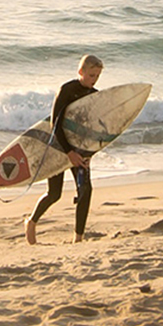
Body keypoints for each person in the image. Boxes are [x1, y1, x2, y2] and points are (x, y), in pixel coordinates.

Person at [25, 53, 103, 244]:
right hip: (58, 149)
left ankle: (78, 238)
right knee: (54, 194)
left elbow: (93, 131)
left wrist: (89, 154)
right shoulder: (66, 91)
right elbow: (55, 126)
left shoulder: (95, 96)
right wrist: (69, 153)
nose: (94, 80)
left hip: (80, 151)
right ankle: (31, 222)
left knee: (86, 190)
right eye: (91, 75)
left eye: (98, 76)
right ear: (81, 72)